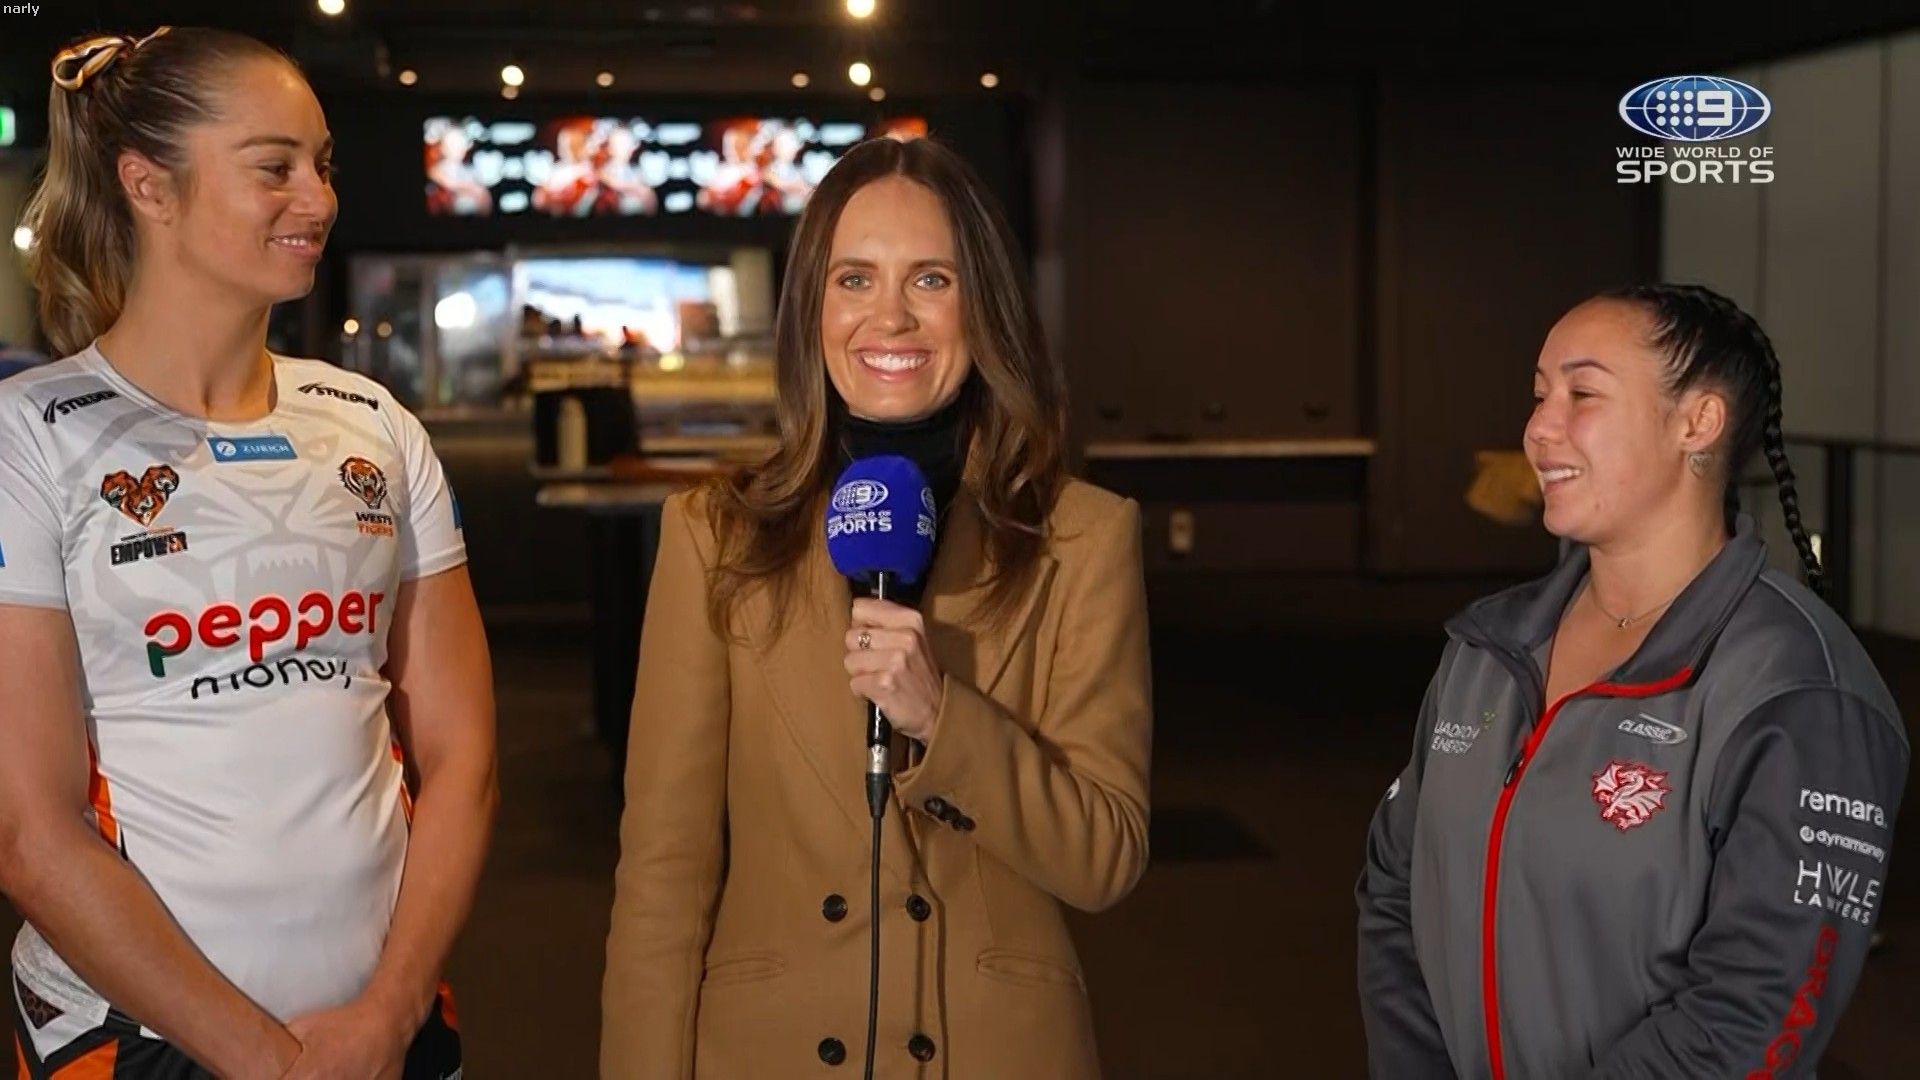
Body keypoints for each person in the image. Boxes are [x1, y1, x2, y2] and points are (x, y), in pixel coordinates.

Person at [0, 27, 496, 1079]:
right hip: (138, 1043)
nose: (317, 199)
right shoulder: (29, 437)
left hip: (387, 1032)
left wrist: (390, 1012)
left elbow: (463, 759)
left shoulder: (373, 424)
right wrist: (267, 1063)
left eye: (322, 164)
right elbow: (27, 831)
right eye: (274, 167)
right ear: (149, 185)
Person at [602, 136, 1152, 1078]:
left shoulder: (1083, 538)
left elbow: (1106, 855)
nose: (889, 316)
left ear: (984, 306)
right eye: (854, 279)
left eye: (931, 279)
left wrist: (945, 718)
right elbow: (663, 872)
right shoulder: (712, 536)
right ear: (810, 310)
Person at [1357, 284, 1907, 1079]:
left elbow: (1755, 1011)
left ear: (1698, 422)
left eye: (1582, 394)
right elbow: (1394, 890)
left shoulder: (1797, 692)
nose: (1539, 428)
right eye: (1540, 394)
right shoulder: (1488, 651)